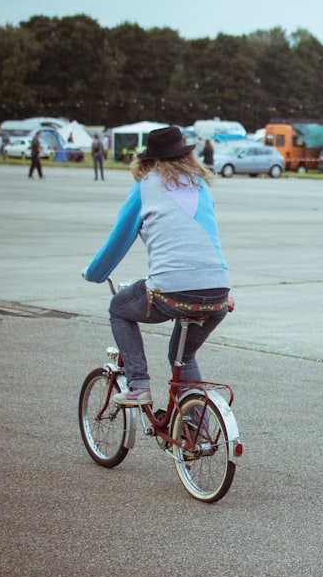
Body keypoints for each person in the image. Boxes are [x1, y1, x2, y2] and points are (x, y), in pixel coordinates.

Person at [82, 126, 233, 406]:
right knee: (183, 356)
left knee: (119, 307)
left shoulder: (145, 186)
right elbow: (208, 239)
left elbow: (119, 240)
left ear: (147, 161)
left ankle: (138, 384)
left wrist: (95, 273)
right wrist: (222, 290)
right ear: (187, 157)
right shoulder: (199, 184)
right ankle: (194, 433)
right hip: (218, 291)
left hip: (172, 291)